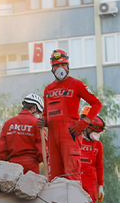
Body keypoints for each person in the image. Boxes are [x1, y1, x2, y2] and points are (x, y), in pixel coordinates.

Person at [41, 49, 102, 181]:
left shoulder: (76, 84)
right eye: (56, 65)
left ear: (67, 66)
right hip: (52, 136)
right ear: (52, 68)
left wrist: (84, 122)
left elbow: (96, 104)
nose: (59, 68)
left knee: (71, 173)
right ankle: (57, 201)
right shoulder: (48, 89)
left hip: (70, 133)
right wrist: (42, 121)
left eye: (62, 65)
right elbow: (46, 115)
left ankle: (74, 201)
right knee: (55, 177)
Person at [0, 94, 44, 175]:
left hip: (13, 166)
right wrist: (45, 159)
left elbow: (2, 149)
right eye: (38, 112)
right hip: (31, 166)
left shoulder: (8, 123)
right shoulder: (37, 123)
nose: (38, 114)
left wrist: (3, 163)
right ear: (33, 108)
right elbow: (42, 149)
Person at [79, 114, 105, 203]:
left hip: (91, 185)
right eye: (95, 131)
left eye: (98, 132)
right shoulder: (76, 140)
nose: (96, 134)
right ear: (87, 128)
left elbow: (99, 167)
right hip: (77, 181)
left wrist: (100, 186)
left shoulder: (98, 145)